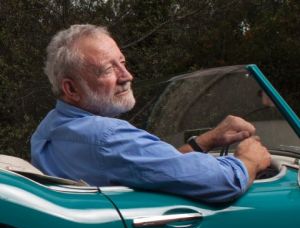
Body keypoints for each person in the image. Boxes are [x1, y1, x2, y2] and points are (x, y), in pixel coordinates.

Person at [31, 24, 271, 203]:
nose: (127, 76)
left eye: (123, 63)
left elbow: (149, 167)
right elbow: (221, 182)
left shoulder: (48, 128)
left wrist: (206, 140)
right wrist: (248, 160)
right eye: (108, 69)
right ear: (71, 88)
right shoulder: (108, 137)